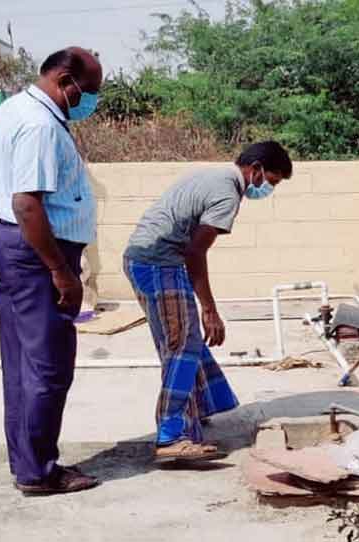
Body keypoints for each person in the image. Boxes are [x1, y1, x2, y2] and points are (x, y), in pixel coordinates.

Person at [0, 47, 102, 495]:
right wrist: (60, 271)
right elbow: (26, 203)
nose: (91, 99)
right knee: (49, 365)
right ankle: (39, 471)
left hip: (11, 244)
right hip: (35, 253)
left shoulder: (13, 109)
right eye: (89, 90)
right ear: (64, 79)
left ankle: (30, 463)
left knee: (23, 364)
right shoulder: (39, 125)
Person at [123, 141, 293, 462]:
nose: (267, 188)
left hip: (146, 259)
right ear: (255, 168)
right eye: (270, 181)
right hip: (159, 263)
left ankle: (199, 408)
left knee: (185, 341)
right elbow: (195, 251)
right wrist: (210, 310)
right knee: (182, 347)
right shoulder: (228, 192)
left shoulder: (214, 176)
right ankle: (172, 437)